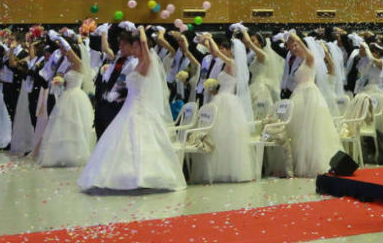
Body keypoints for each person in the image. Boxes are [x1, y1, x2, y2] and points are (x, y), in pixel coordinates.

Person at [78, 25, 186, 192]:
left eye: (135, 46)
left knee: (139, 140)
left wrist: (141, 30)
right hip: (129, 105)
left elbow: (143, 42)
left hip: (139, 107)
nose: (132, 49)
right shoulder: (136, 63)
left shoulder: (146, 62)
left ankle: (144, 176)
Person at [187, 33, 254, 183]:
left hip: (229, 102)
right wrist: (214, 89)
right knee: (217, 135)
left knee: (228, 136)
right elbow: (215, 56)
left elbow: (216, 52)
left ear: (230, 50)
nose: (221, 51)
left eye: (224, 48)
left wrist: (209, 39)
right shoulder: (224, 64)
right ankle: (218, 170)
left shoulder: (232, 63)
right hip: (219, 99)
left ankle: (229, 170)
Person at [284, 31, 343, 177]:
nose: (295, 48)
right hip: (299, 96)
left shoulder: (310, 58)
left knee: (312, 131)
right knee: (300, 131)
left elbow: (303, 47)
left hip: (310, 95)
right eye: (292, 47)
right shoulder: (301, 62)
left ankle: (314, 163)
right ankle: (300, 161)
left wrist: (294, 36)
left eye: (297, 45)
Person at [36, 32, 95, 167]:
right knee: (64, 126)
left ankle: (76, 155)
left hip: (76, 96)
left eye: (66, 51)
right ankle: (64, 154)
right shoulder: (68, 66)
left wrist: (62, 41)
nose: (64, 53)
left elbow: (69, 51)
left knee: (75, 125)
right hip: (66, 95)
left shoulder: (79, 64)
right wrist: (60, 81)